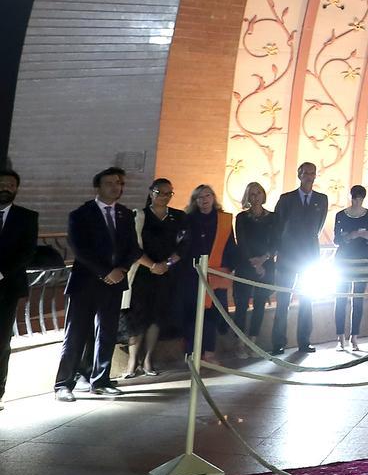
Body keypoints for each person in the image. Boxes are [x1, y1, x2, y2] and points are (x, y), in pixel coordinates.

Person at [54, 167, 136, 400]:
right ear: (97, 187)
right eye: (110, 182)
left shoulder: (125, 214)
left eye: (119, 183)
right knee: (76, 334)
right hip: (85, 283)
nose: (115, 187)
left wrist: (121, 270)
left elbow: (133, 248)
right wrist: (105, 272)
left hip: (115, 283)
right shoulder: (81, 214)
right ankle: (63, 384)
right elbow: (80, 249)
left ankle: (100, 380)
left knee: (107, 332)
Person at [125, 178, 184, 378]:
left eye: (169, 193)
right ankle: (132, 362)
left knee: (156, 317)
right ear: (151, 193)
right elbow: (132, 246)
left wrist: (165, 265)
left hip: (165, 274)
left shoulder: (177, 217)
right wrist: (151, 265)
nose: (165, 197)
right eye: (161, 192)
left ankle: (148, 359)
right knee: (137, 315)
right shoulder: (139, 216)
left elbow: (183, 246)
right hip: (142, 273)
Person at [272, 162, 329, 353]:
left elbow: (318, 227)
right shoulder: (286, 199)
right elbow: (278, 226)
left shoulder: (321, 199)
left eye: (312, 173)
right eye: (305, 173)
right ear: (299, 175)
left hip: (309, 257)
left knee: (307, 300)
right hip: (287, 256)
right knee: (283, 300)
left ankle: (304, 341)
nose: (309, 177)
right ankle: (278, 343)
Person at [180, 184, 234, 361]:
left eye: (207, 196)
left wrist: (229, 266)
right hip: (192, 273)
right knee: (192, 313)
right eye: (200, 197)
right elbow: (182, 246)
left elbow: (230, 246)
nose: (204, 200)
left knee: (212, 314)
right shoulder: (187, 219)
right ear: (195, 200)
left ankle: (209, 352)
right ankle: (192, 353)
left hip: (216, 273)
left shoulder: (224, 219)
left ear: (213, 197)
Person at [0, 169, 40, 407]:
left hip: (7, 287)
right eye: (2, 183)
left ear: (16, 189)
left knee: (2, 340)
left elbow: (27, 252)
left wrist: (2, 272)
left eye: (11, 185)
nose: (6, 187)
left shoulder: (27, 217)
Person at [230, 182, 279, 345]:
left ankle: (253, 340)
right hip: (246, 264)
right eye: (252, 194)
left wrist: (264, 259)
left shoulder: (273, 218)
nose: (256, 196)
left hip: (266, 264)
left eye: (258, 193)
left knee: (260, 303)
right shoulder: (242, 217)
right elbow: (241, 241)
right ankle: (239, 342)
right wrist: (255, 264)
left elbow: (275, 242)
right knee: (242, 304)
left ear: (263, 195)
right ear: (247, 197)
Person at [332, 186, 368, 351]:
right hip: (343, 259)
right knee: (340, 299)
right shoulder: (341, 215)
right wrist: (352, 235)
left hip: (362, 259)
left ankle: (354, 337)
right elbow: (337, 239)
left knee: (358, 299)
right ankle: (340, 338)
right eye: (354, 198)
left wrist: (364, 235)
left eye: (359, 198)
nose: (357, 201)